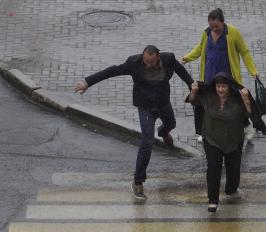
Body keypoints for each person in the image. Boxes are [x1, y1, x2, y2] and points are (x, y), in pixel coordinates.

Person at [74, 45, 194, 200]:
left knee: (171, 124)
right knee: (147, 141)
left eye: (151, 62)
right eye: (146, 62)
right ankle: (138, 181)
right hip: (145, 107)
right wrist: (88, 82)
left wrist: (192, 85)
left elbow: (181, 71)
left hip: (163, 103)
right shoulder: (134, 63)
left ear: (158, 56)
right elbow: (112, 71)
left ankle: (163, 132)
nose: (148, 65)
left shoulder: (168, 59)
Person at [188, 72, 266, 212]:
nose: (220, 90)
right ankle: (213, 200)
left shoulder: (237, 98)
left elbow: (250, 115)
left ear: (229, 87)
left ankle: (231, 190)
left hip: (234, 140)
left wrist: (246, 100)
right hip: (212, 139)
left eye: (223, 87)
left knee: (234, 169)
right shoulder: (208, 96)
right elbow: (193, 101)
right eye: (218, 86)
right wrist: (193, 92)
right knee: (213, 168)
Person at [182, 8, 259, 143]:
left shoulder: (233, 33)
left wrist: (253, 71)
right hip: (209, 75)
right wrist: (187, 58)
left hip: (228, 77)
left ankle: (247, 127)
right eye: (211, 26)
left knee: (234, 103)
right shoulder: (206, 33)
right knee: (207, 102)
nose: (214, 29)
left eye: (216, 26)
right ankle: (204, 131)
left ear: (223, 23)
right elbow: (201, 48)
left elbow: (244, 52)